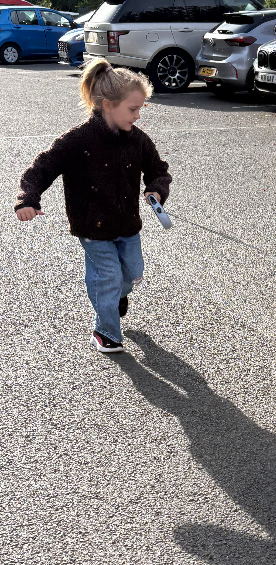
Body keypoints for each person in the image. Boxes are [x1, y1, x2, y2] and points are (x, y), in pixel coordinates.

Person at [14, 59, 172, 353]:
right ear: (108, 105)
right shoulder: (77, 140)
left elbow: (158, 170)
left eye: (140, 109)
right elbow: (41, 168)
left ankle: (115, 296)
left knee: (132, 273)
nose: (137, 116)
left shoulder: (137, 140)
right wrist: (28, 199)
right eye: (133, 109)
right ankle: (105, 332)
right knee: (108, 277)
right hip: (92, 227)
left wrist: (156, 189)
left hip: (127, 225)